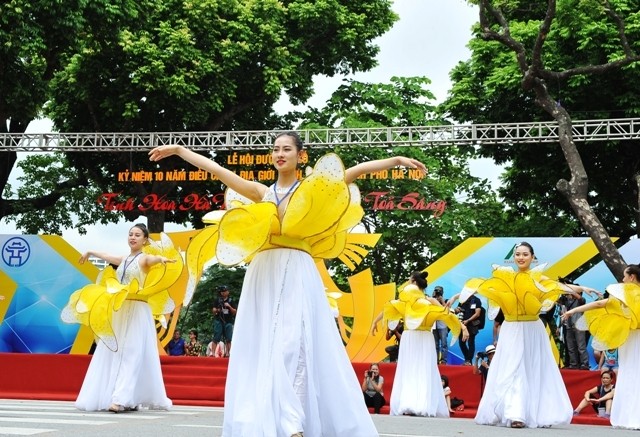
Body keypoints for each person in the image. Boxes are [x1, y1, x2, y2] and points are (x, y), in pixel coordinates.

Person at [149, 132, 426, 436]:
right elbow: (218, 171)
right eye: (276, 149)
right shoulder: (261, 192)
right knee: (264, 343)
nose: (280, 154)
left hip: (296, 269)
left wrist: (397, 160)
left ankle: (293, 421)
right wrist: (179, 150)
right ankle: (271, 417)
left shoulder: (310, 189)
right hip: (263, 272)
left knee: (294, 342)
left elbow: (355, 171)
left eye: (287, 149)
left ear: (299, 155)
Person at [62, 223, 181, 413]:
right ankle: (123, 396)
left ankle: (121, 398)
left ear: (145, 239)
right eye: (131, 234)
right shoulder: (124, 259)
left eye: (137, 235)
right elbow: (107, 256)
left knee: (132, 352)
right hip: (121, 308)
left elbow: (153, 258)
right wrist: (90, 252)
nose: (133, 237)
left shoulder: (143, 259)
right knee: (113, 351)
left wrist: (163, 259)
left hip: (138, 309)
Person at [461, 241, 573, 428]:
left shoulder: (539, 277)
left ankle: (533, 412)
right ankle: (515, 414)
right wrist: (459, 297)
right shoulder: (506, 278)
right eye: (517, 254)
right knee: (512, 368)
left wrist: (579, 289)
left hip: (532, 328)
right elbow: (483, 288)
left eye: (525, 254)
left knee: (533, 368)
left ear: (532, 257)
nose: (521, 257)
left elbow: (560, 287)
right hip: (511, 327)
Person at [376, 271, 468, 417]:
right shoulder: (405, 301)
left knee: (424, 369)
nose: (407, 283)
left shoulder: (430, 301)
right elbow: (388, 308)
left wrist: (462, 327)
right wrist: (376, 321)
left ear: (413, 283)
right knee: (409, 369)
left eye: (409, 280)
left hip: (424, 337)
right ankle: (407, 403)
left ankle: (422, 404)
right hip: (409, 337)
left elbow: (446, 313)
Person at [561, 263, 640, 429]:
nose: (623, 280)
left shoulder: (625, 295)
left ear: (632, 277)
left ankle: (630, 416)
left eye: (625, 276)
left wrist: (572, 311)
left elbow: (598, 304)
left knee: (630, 373)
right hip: (633, 337)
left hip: (631, 337)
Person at [560, 289, 590, 369]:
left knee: (581, 346)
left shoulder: (581, 300)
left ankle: (585, 364)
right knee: (570, 347)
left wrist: (570, 289)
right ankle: (573, 364)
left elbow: (579, 297)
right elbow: (556, 300)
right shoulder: (566, 300)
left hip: (579, 325)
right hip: (568, 325)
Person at [454, 292, 482, 365]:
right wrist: (456, 310)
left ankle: (468, 360)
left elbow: (477, 313)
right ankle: (467, 359)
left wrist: (468, 320)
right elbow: (457, 310)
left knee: (471, 342)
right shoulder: (462, 300)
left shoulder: (476, 300)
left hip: (472, 325)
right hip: (462, 324)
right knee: (461, 342)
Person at [212, 285, 236, 357]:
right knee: (216, 337)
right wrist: (216, 310)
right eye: (222, 291)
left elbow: (234, 311)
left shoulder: (231, 300)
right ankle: (212, 353)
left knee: (228, 338)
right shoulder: (217, 300)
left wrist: (229, 306)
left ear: (228, 292)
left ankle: (229, 353)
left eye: (225, 291)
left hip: (228, 321)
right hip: (219, 320)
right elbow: (213, 310)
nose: (224, 293)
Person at [432, 285, 449, 364]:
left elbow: (447, 311)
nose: (438, 293)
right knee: (435, 344)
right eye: (436, 291)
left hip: (443, 325)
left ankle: (443, 360)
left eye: (439, 291)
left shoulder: (446, 300)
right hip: (434, 325)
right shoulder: (432, 301)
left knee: (444, 344)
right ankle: (435, 361)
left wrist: (442, 301)